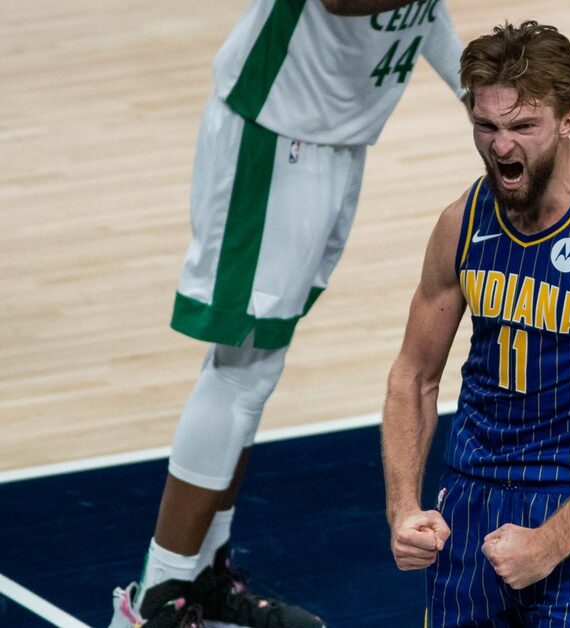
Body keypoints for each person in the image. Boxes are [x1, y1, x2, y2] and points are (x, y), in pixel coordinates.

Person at [108, 1, 466, 627]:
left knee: (255, 371)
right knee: (240, 368)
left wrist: (478, 93)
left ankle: (201, 579)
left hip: (335, 138)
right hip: (272, 132)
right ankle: (154, 602)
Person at [381, 20, 570, 627]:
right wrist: (402, 509)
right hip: (469, 503)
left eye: (523, 127)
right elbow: (413, 375)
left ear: (569, 120)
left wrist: (550, 541)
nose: (501, 147)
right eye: (486, 127)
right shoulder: (461, 223)